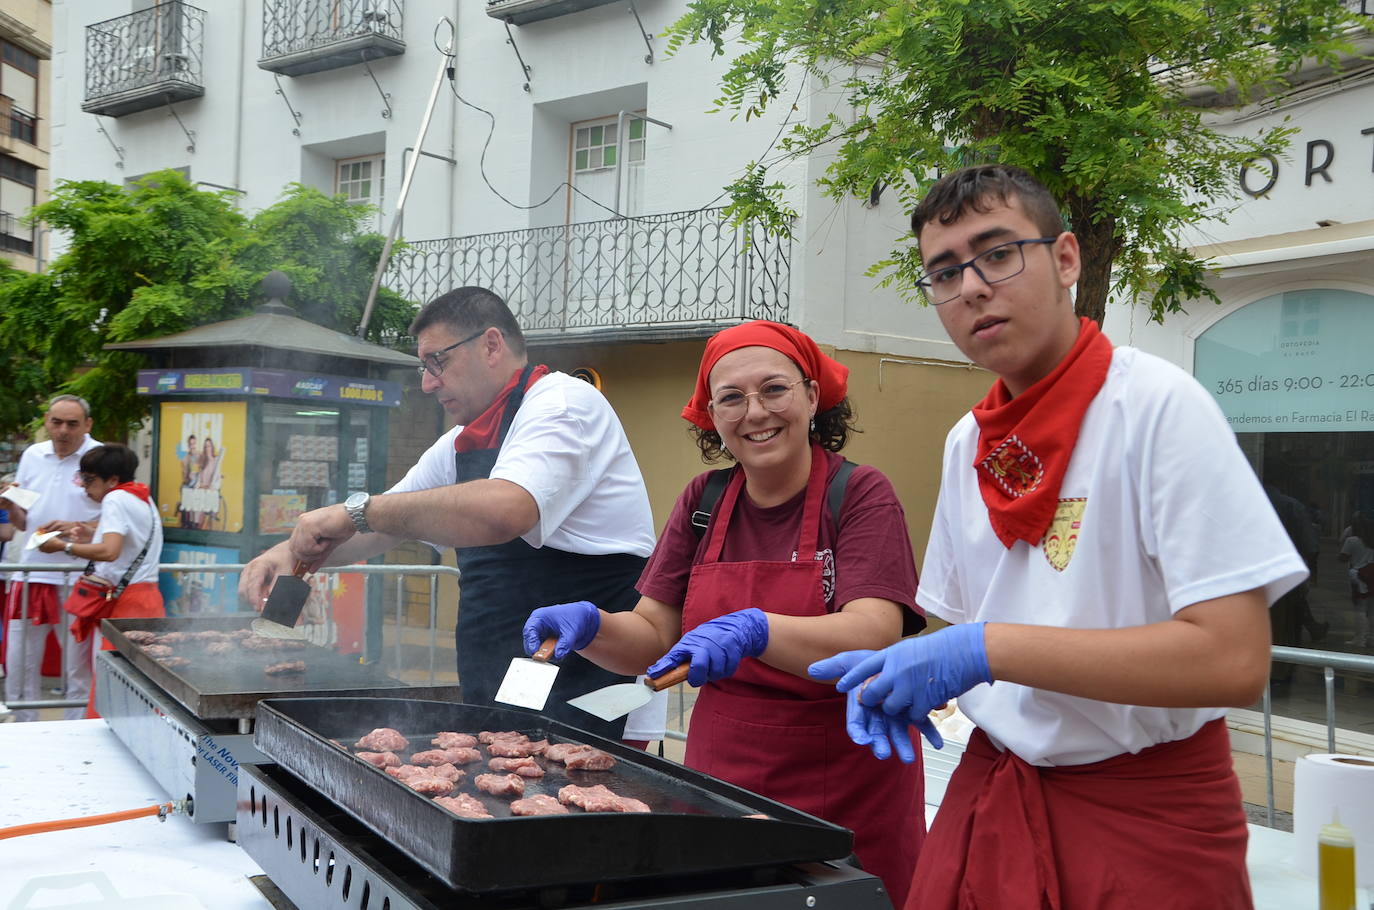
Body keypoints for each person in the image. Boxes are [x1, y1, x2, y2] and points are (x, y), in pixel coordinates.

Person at [809, 164, 1308, 910]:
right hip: (997, 788)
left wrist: (984, 651)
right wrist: (913, 679)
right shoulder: (964, 443)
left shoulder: (1157, 407)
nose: (972, 286)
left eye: (998, 253)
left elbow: (1233, 659)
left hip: (1144, 811)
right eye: (944, 273)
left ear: (1067, 258)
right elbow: (976, 626)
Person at [522, 321, 927, 906]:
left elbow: (873, 631)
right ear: (711, 414)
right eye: (731, 398)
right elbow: (653, 635)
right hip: (726, 775)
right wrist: (592, 626)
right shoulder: (702, 503)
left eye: (774, 390)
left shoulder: (861, 495)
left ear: (812, 397)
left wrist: (758, 631)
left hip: (845, 775)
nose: (755, 412)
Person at [237, 286, 664, 745]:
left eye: (436, 362)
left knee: (592, 801)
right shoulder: (463, 441)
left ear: (491, 344)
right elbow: (377, 528)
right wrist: (287, 551)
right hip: (505, 682)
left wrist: (354, 512)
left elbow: (506, 510)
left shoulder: (564, 405)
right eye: (424, 367)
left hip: (594, 686)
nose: (427, 383)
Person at [37, 444, 164, 718]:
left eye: (89, 479)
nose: (84, 486)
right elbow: (125, 537)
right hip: (145, 598)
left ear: (113, 480)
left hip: (125, 602)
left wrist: (62, 546)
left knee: (112, 681)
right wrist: (86, 533)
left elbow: (110, 550)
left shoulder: (115, 499)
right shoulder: (141, 496)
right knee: (137, 683)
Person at [0, 395, 102, 722]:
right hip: (31, 572)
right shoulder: (33, 454)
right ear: (46, 420)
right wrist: (9, 505)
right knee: (20, 659)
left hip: (80, 575)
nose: (63, 431)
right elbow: (23, 521)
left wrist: (78, 528)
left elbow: (119, 518)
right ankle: (23, 725)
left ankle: (76, 730)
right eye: (56, 422)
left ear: (87, 425)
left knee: (77, 661)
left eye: (72, 423)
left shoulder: (100, 457)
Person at [1338, 512, 1373, 648]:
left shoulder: (1352, 541)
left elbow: (1342, 558)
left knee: (1360, 608)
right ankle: (1371, 637)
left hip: (1359, 577)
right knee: (1372, 609)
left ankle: (1360, 638)